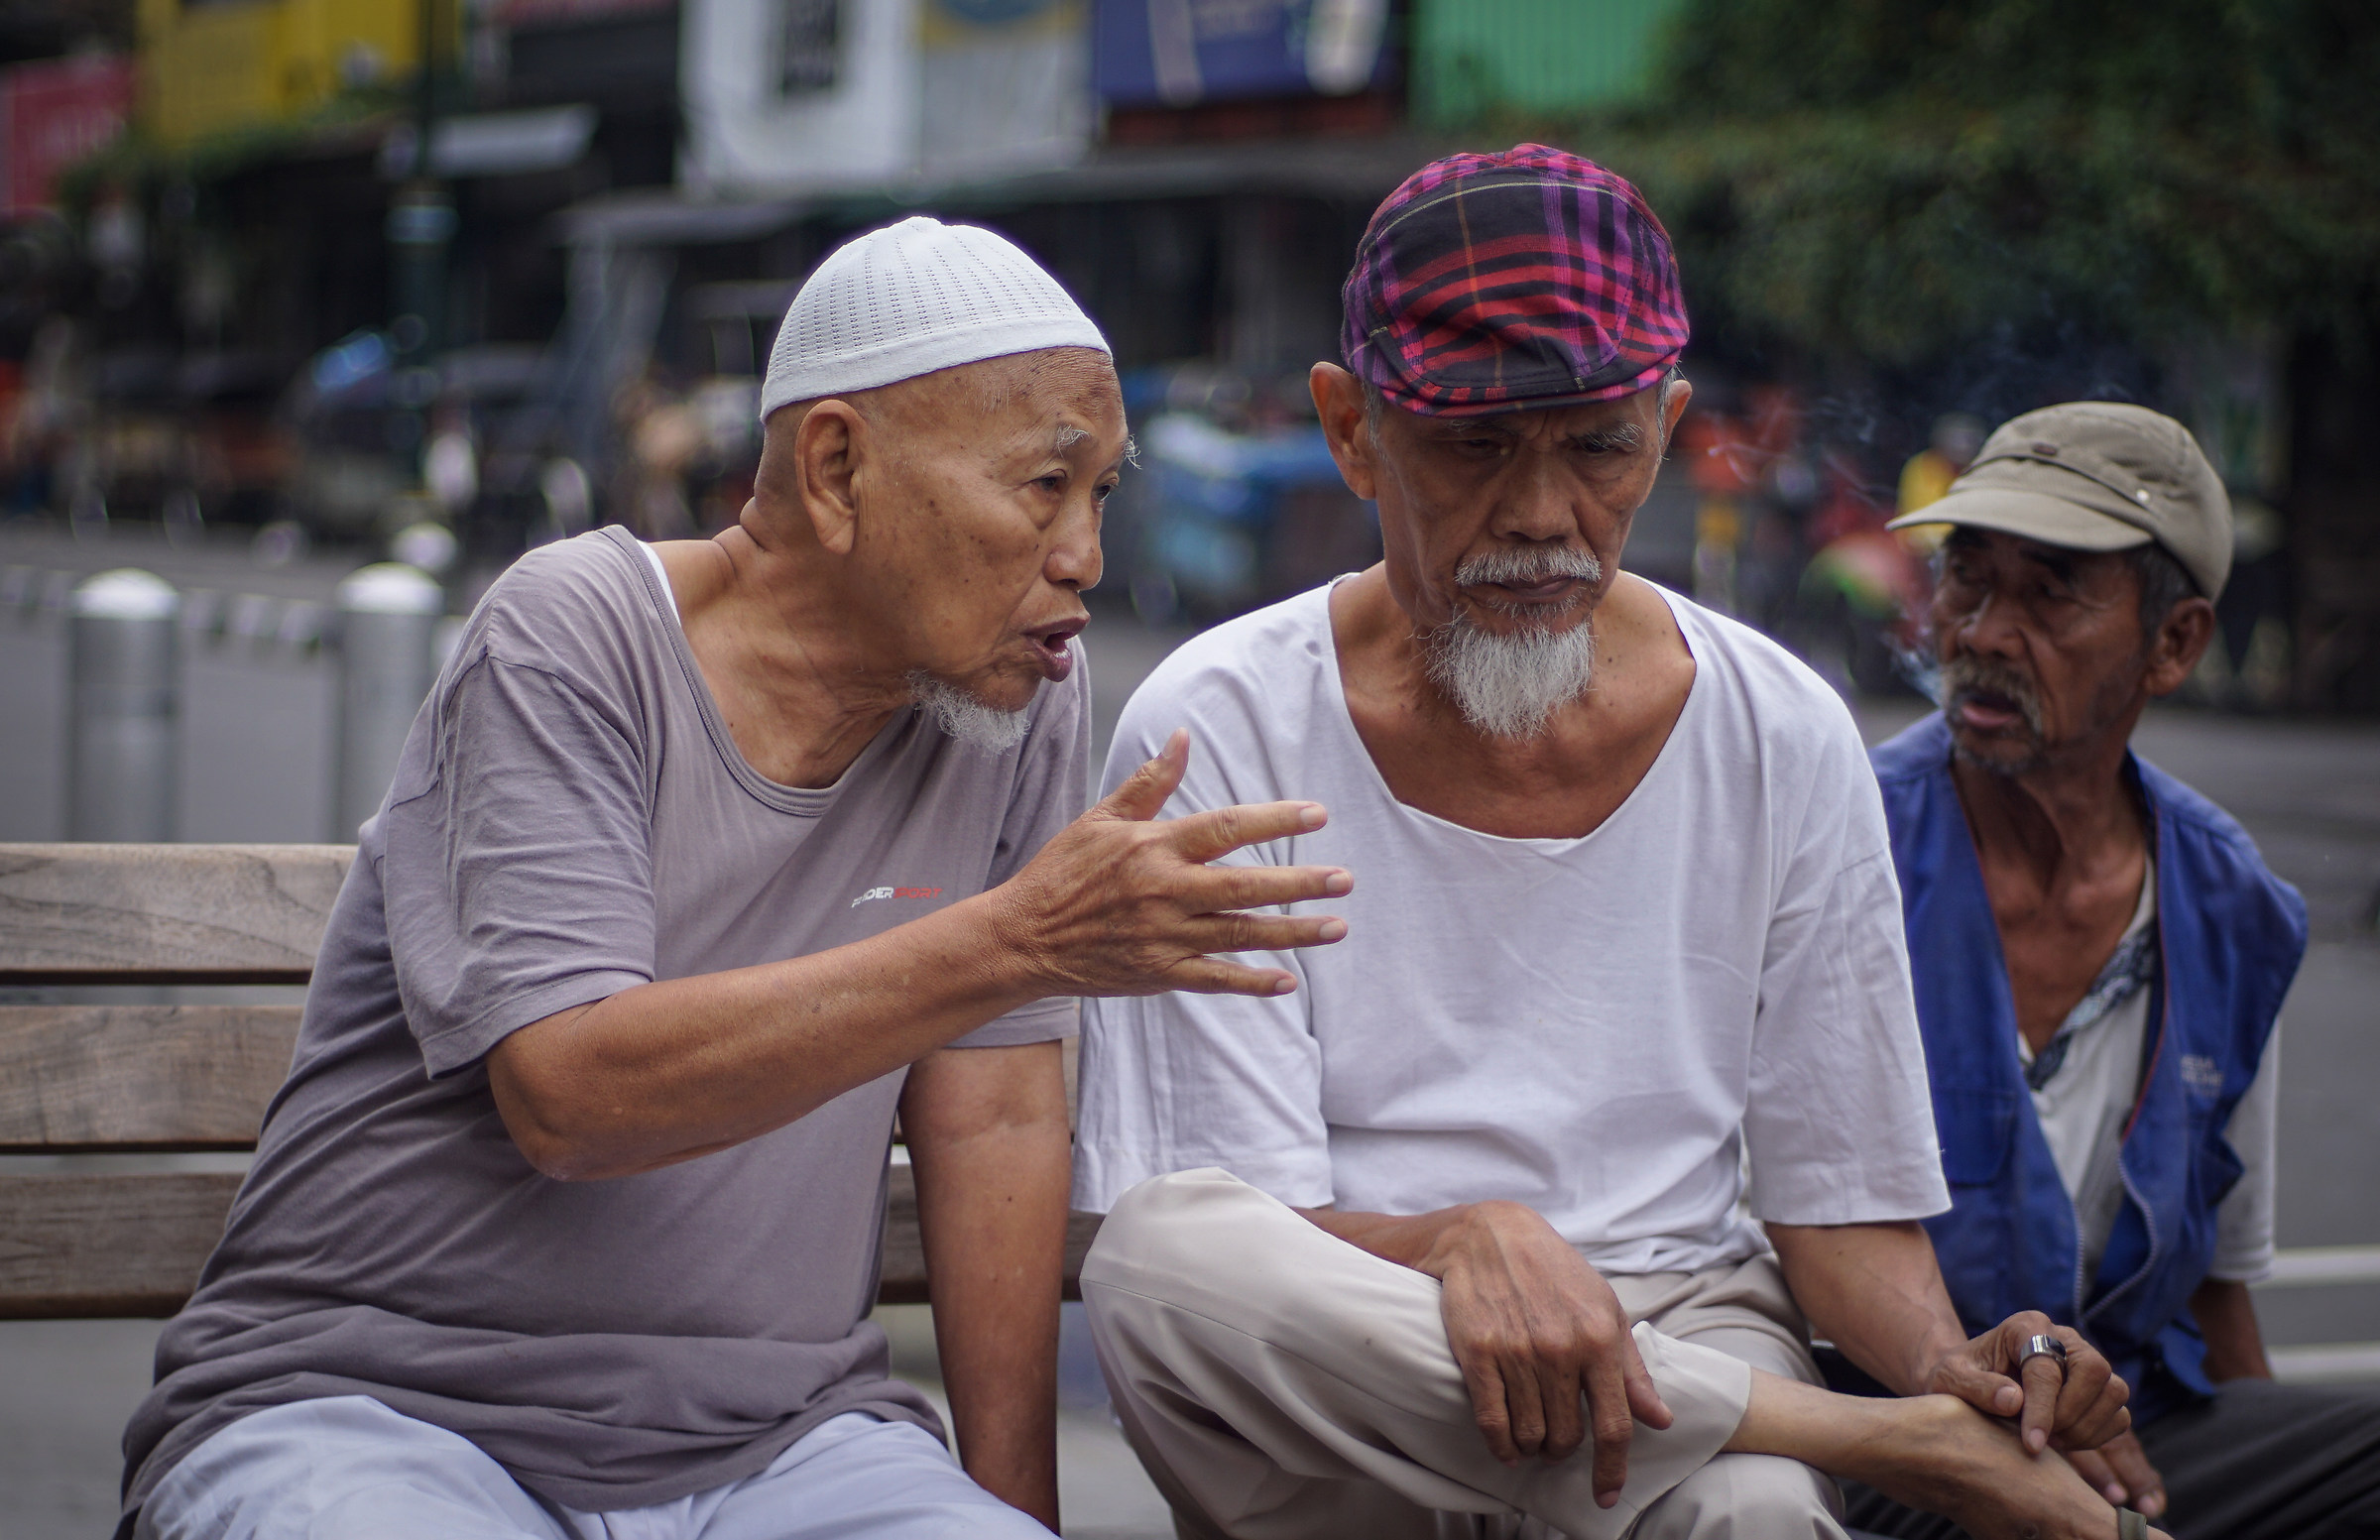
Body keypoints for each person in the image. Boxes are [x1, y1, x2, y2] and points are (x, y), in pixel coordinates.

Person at [118, 217, 1357, 1540]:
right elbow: (572, 1094)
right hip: (382, 1415)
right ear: (835, 468)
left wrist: (1013, 1517)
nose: (1083, 559)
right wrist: (1014, 942)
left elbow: (992, 1117)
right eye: (1042, 486)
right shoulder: (576, 631)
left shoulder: (1012, 694)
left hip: (778, 1450)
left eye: (1101, 492)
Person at [1073, 146, 2155, 1540]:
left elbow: (1838, 1213)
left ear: (1668, 428)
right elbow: (1251, 1235)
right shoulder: (1217, 723)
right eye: (1472, 444)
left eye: (1597, 445)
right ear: (1352, 433)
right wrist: (1456, 1240)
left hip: (1682, 1329)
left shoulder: (1781, 728)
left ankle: (1869, 1434)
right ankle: (1873, 1444)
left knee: (1757, 1521)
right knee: (1164, 1255)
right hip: (1361, 1384)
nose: (1539, 515)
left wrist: (1953, 1373)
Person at [1854, 402, 2380, 1539]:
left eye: (2050, 593)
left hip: (2115, 1424)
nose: (1985, 631)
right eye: (1967, 579)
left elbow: (2216, 1289)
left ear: (2175, 642)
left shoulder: (2231, 907)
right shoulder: (1842, 840)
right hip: (1876, 1418)